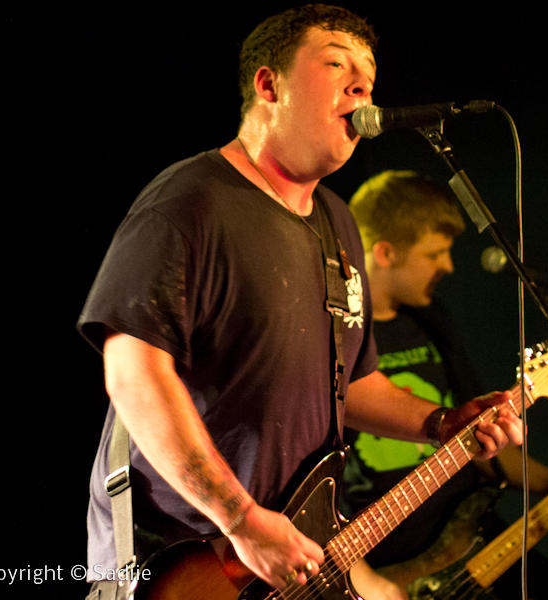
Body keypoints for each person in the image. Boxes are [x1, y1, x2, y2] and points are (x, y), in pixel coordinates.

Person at [77, 6, 523, 599]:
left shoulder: (337, 222)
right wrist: (240, 519)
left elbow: (350, 385)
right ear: (269, 85)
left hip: (289, 560)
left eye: (369, 76)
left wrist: (440, 423)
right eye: (337, 64)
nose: (361, 86)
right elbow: (132, 375)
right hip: (185, 559)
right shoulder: (190, 202)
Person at [344, 170, 548, 600]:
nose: (448, 266)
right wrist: (366, 581)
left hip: (473, 538)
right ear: (386, 252)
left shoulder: (433, 322)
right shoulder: (339, 334)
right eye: (435, 254)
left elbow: (479, 441)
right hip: (391, 567)